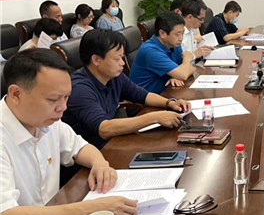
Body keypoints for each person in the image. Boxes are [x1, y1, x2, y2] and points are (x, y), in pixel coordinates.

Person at [0, 50, 138, 215]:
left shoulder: (47, 121)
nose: (63, 107)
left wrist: (100, 164)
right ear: (16, 94)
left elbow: (80, 147)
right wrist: (93, 208)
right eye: (53, 99)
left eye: (66, 97)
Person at [63, 29, 192, 149]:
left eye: (122, 57)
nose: (123, 63)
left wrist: (170, 103)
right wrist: (155, 118)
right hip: (91, 153)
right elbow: (104, 128)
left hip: (114, 142)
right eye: (117, 58)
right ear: (96, 60)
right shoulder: (79, 89)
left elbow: (142, 95)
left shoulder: (114, 76)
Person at [129, 11, 205, 94]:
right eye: (177, 34)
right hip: (145, 98)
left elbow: (190, 68)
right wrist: (187, 60)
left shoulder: (174, 44)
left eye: (182, 33)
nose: (181, 38)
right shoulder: (151, 51)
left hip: (166, 92)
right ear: (162, 33)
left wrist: (177, 76)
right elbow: (184, 73)